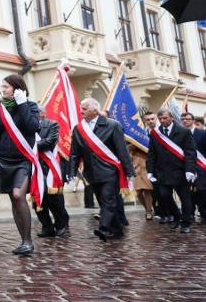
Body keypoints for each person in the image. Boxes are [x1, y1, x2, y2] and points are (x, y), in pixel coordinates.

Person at [70, 98, 135, 241]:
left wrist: (129, 171)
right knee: (103, 200)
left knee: (108, 200)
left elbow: (122, 150)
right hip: (91, 172)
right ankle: (116, 230)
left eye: (84, 108)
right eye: (81, 108)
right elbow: (74, 152)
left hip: (110, 170)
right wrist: (72, 172)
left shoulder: (112, 125)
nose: (81, 111)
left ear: (95, 110)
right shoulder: (78, 128)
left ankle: (103, 228)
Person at [0, 74, 40, 255]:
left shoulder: (31, 106)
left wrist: (22, 104)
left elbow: (32, 127)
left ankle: (28, 241)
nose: (2, 90)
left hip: (23, 160)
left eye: (6, 87)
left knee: (19, 195)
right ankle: (23, 241)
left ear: (17, 88)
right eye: (2, 87)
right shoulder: (0, 109)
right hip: (5, 161)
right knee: (13, 199)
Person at [146, 107, 196, 234]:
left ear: (172, 117)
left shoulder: (183, 131)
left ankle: (186, 223)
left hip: (180, 171)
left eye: (165, 118)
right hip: (162, 172)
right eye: (160, 118)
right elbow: (152, 154)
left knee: (185, 199)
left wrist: (190, 170)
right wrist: (150, 171)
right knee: (164, 195)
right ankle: (176, 215)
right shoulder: (155, 133)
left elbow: (190, 152)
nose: (162, 121)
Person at [35, 108, 69, 238]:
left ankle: (61, 225)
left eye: (34, 112)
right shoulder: (26, 127)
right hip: (35, 168)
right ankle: (47, 227)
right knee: (37, 201)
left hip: (50, 167)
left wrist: (30, 146)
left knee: (55, 200)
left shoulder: (52, 124)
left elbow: (49, 142)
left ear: (42, 113)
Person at [192, 125, 206, 221]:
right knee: (191, 191)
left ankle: (203, 211)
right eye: (183, 119)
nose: (185, 121)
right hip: (188, 166)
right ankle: (190, 212)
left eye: (187, 119)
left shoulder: (202, 133)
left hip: (202, 165)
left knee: (201, 190)